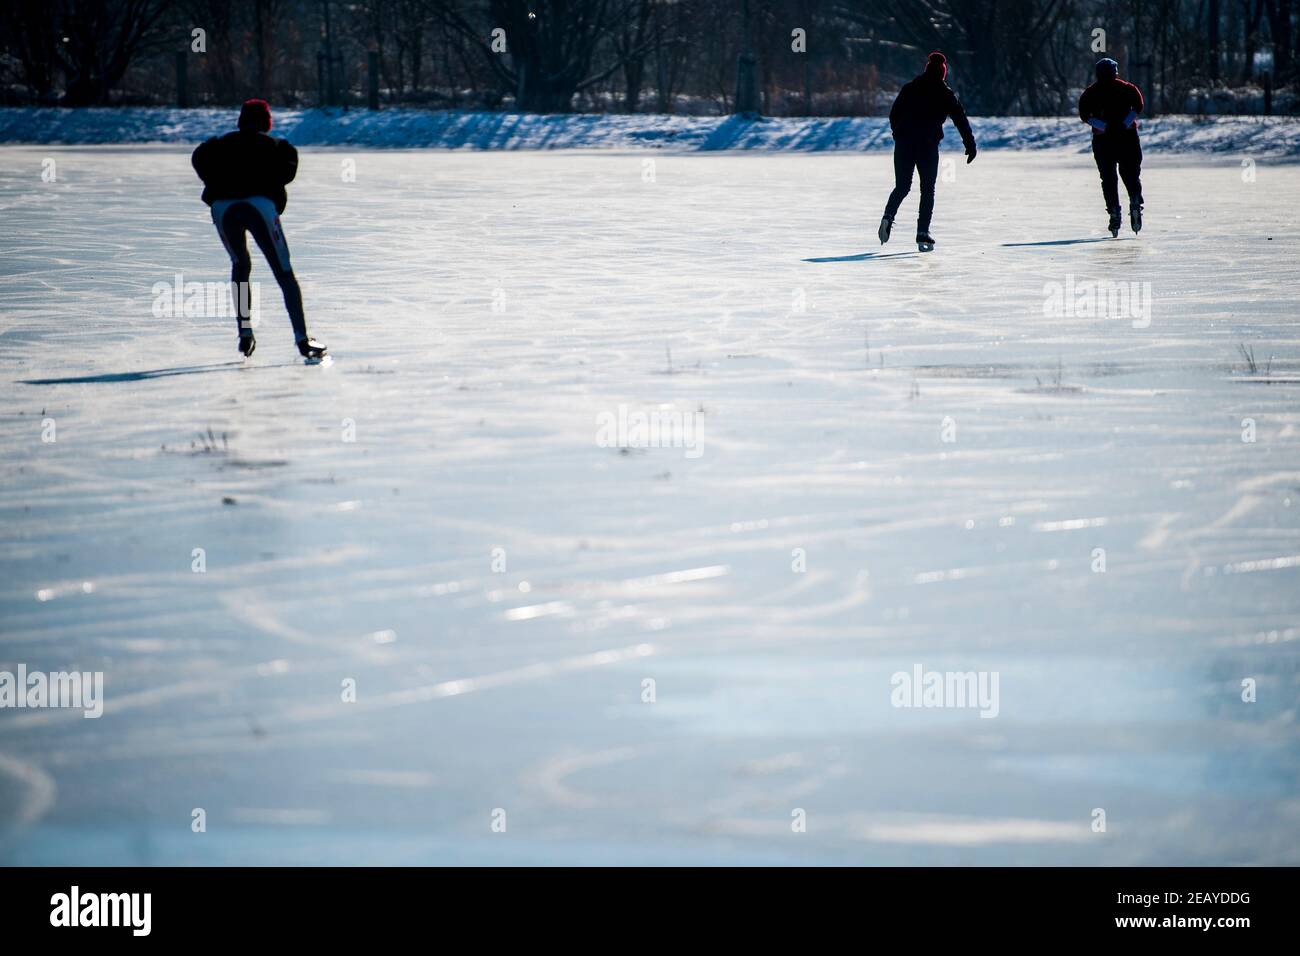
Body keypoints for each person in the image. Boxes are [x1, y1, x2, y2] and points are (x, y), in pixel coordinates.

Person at [191, 99, 326, 359]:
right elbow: (287, 170)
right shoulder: (278, 148)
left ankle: (244, 332)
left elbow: (199, 157)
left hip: (223, 208)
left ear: (241, 121)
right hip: (260, 208)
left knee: (240, 265)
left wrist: (218, 181)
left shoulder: (217, 146)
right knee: (284, 272)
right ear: (266, 123)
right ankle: (301, 338)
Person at [878, 51, 977, 252]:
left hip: (904, 144)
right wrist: (970, 144)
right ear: (942, 73)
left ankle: (888, 216)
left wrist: (899, 134)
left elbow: (894, 114)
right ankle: (922, 231)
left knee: (903, 186)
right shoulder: (944, 92)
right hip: (927, 146)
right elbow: (960, 118)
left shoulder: (910, 88)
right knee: (927, 189)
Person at [1078, 58, 1144, 237]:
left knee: (1108, 177)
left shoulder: (1091, 92)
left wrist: (1101, 124)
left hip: (1104, 139)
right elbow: (1138, 105)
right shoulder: (1127, 88)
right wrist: (1126, 122)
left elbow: (1084, 114)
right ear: (1116, 71)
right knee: (1130, 172)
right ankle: (1134, 199)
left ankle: (1114, 210)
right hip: (1126, 137)